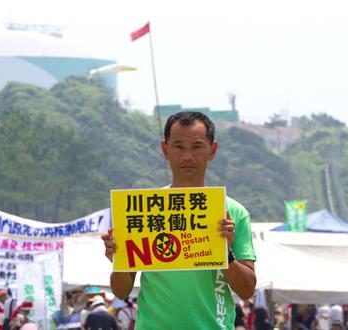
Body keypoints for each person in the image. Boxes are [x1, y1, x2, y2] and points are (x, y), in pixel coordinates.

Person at [101, 111, 257, 329]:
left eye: (196, 146)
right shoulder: (144, 210)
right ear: (165, 150)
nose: (187, 156)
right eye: (179, 147)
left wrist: (226, 253)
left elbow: (247, 290)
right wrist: (119, 259)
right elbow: (121, 290)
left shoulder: (232, 212)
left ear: (212, 150)